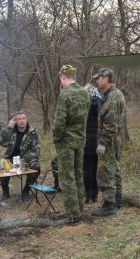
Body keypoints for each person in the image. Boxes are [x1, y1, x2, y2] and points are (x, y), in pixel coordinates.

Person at [52, 64, 90, 224]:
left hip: (66, 142)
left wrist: (56, 138)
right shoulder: (85, 93)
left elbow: (60, 121)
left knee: (67, 177)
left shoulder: (65, 95)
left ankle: (73, 214)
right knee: (78, 174)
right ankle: (79, 208)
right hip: (80, 140)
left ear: (63, 77)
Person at [90, 68, 126, 217]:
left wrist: (103, 143)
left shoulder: (113, 97)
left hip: (110, 140)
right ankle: (118, 200)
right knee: (114, 169)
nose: (97, 81)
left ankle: (109, 204)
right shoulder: (109, 95)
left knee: (106, 171)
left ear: (106, 78)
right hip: (113, 139)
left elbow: (111, 125)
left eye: (99, 78)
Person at [0, 111, 41, 202]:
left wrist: (24, 159)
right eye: (19, 119)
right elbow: (3, 143)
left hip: (26, 160)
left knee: (36, 167)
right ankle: (5, 192)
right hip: (11, 158)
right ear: (15, 121)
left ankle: (26, 192)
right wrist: (8, 128)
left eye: (24, 118)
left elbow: (36, 150)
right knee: (2, 164)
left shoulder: (33, 132)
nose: (22, 121)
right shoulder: (11, 130)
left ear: (26, 119)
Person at [83, 82, 101, 204]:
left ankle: (88, 195)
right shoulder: (102, 103)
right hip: (99, 139)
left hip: (87, 139)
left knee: (87, 168)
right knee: (96, 168)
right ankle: (95, 195)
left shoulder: (85, 105)